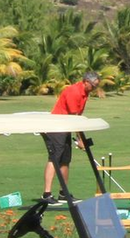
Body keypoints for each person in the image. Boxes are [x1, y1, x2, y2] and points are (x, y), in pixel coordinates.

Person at [42, 71, 100, 203]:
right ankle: (46, 194)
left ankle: (63, 193)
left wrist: (81, 139)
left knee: (65, 160)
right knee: (55, 158)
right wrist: (81, 140)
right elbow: (74, 118)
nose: (94, 88)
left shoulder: (85, 93)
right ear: (86, 82)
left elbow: (77, 118)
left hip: (66, 127)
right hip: (56, 127)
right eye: (93, 85)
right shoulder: (74, 92)